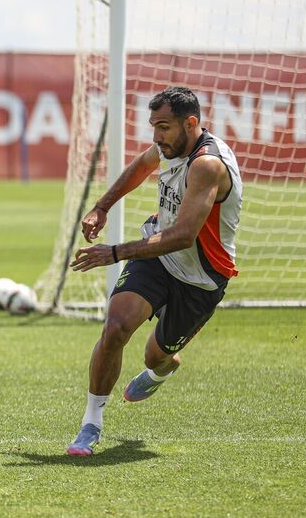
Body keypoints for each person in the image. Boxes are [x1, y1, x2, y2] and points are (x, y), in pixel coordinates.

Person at [65, 86, 242, 456]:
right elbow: (142, 166)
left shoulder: (207, 165)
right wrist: (102, 206)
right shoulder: (169, 147)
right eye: (153, 127)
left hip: (202, 277)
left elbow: (182, 236)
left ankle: (162, 369)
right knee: (116, 327)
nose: (156, 137)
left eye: (163, 127)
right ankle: (90, 423)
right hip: (157, 256)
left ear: (190, 123)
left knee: (154, 356)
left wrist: (113, 252)